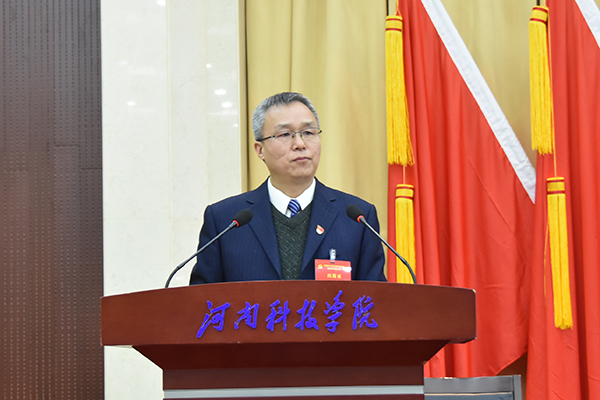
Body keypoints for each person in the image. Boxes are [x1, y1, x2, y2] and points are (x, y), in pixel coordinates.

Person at [189, 92, 386, 284]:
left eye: (308, 133)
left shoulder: (357, 218)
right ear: (260, 150)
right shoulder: (225, 221)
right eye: (284, 134)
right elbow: (202, 301)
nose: (300, 144)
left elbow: (375, 300)